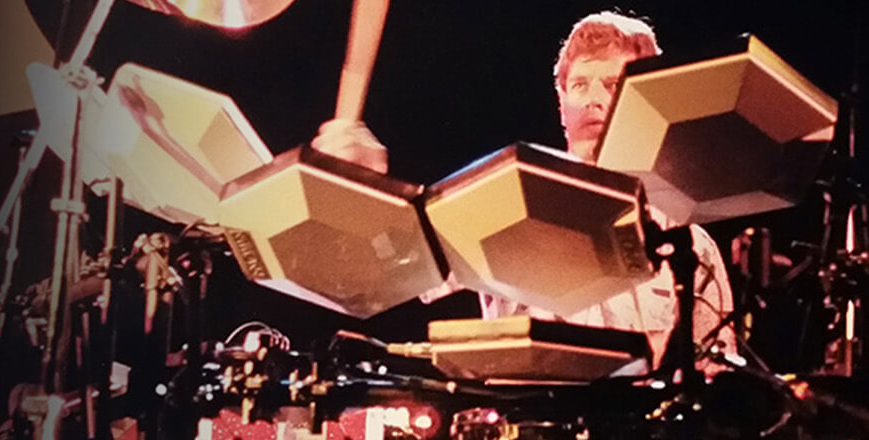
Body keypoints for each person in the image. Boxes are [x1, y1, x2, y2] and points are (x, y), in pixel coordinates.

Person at [310, 11, 737, 376]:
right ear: (561, 105)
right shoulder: (503, 200)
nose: (594, 100)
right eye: (580, 84)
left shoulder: (686, 242)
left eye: (613, 84)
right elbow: (380, 270)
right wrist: (349, 187)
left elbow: (721, 377)